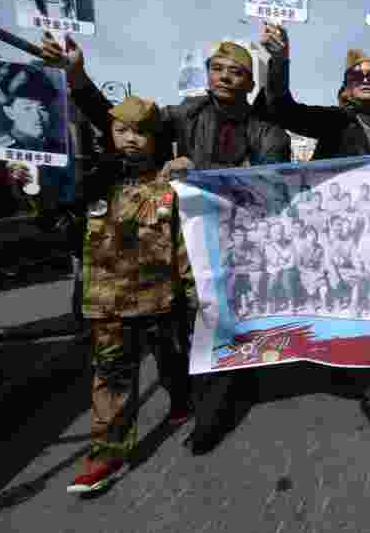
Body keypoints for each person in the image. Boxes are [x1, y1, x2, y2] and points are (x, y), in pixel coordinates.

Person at [42, 31, 291, 455]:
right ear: (208, 74)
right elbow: (124, 123)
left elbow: (269, 182)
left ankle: (229, 393)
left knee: (229, 319)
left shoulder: (264, 129)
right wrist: (78, 78)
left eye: (237, 72)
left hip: (238, 237)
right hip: (187, 240)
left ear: (249, 83)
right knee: (194, 325)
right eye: (218, 69)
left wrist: (204, 171)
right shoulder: (186, 114)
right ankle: (203, 407)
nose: (225, 77)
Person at [255, 23, 370, 434]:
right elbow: (282, 108)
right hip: (340, 235)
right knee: (343, 308)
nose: (366, 80)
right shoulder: (336, 121)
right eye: (357, 76)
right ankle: (334, 360)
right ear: (344, 89)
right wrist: (280, 59)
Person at [65, 96, 193, 494]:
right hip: (108, 301)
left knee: (172, 359)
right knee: (112, 376)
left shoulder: (171, 184)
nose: (131, 139)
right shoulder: (95, 181)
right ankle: (105, 454)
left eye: (141, 132)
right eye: (122, 130)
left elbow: (182, 245)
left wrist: (193, 295)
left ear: (156, 139)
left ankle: (181, 401)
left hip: (161, 299)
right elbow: (60, 221)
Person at [0, 63, 66, 154]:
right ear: (9, 112)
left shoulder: (60, 149)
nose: (37, 117)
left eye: (42, 108)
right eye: (27, 108)